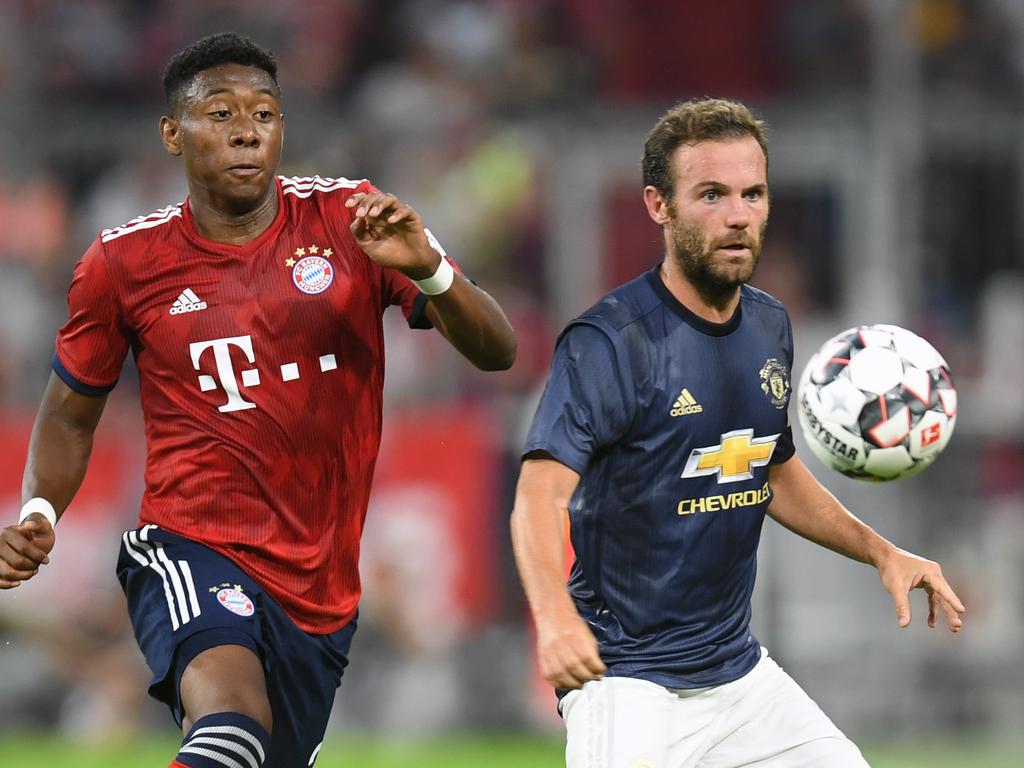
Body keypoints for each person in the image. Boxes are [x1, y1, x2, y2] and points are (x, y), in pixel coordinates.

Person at [0, 32, 515, 768]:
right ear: (172, 134)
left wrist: (430, 269)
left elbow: (498, 351)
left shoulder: (352, 220)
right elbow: (68, 408)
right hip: (190, 548)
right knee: (231, 725)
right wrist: (42, 513)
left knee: (255, 755)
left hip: (320, 591)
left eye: (265, 113)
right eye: (221, 112)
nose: (247, 128)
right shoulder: (123, 261)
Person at [510, 97, 965, 768]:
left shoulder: (767, 326)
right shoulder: (611, 342)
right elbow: (537, 498)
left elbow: (767, 468)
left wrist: (883, 553)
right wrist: (553, 621)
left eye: (753, 193)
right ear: (658, 206)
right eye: (712, 194)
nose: (738, 215)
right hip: (629, 680)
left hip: (740, 679)